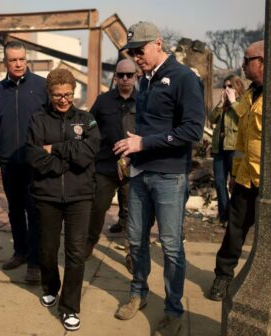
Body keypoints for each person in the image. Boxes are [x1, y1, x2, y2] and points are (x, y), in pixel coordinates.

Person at [113, 21, 206, 336]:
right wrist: (132, 150)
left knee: (170, 245)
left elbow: (192, 131)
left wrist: (143, 143)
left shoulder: (184, 79)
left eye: (140, 50)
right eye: (132, 52)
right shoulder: (145, 81)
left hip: (169, 176)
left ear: (157, 43)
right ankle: (137, 293)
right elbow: (147, 127)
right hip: (140, 173)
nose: (136, 57)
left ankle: (173, 308)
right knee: (136, 240)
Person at [25, 68, 99, 332]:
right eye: (58, 95)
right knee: (47, 249)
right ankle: (50, 286)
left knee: (76, 253)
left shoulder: (87, 119)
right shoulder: (37, 120)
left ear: (74, 91)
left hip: (80, 196)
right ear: (50, 94)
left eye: (68, 94)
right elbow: (35, 157)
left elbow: (88, 153)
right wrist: (67, 162)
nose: (64, 99)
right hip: (47, 195)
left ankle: (70, 307)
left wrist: (56, 149)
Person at [0, 41, 48, 284]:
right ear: (5, 63)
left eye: (22, 59)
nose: (18, 64)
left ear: (26, 59)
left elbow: (52, 122)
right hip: (9, 161)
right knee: (15, 210)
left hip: (34, 162)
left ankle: (35, 263)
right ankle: (20, 252)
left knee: (34, 211)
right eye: (13, 60)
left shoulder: (41, 86)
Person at [207, 41, 265, 302]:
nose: (243, 65)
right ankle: (223, 276)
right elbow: (242, 141)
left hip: (270, 181)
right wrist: (235, 175)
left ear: (262, 61)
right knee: (235, 229)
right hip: (245, 179)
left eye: (247, 59)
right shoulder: (250, 96)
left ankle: (265, 283)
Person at [85, 59, 137, 265]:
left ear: (136, 77)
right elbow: (89, 124)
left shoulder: (144, 101)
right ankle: (89, 242)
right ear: (115, 76)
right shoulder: (103, 101)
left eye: (129, 75)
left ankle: (133, 252)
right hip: (106, 165)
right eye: (121, 75)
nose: (125, 78)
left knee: (134, 212)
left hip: (134, 166)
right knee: (97, 207)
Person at [207, 75, 245, 228]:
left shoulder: (241, 103)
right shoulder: (223, 106)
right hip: (219, 149)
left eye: (230, 86)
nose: (226, 89)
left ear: (237, 88)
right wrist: (221, 103)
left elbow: (244, 118)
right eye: (224, 86)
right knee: (219, 183)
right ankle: (224, 216)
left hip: (234, 149)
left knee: (235, 183)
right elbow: (211, 119)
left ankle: (235, 217)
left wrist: (233, 102)